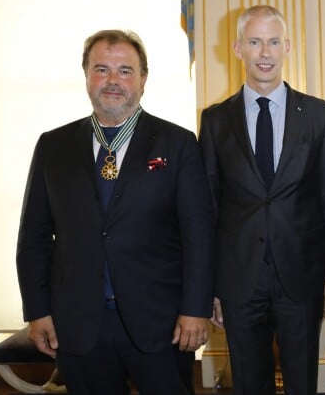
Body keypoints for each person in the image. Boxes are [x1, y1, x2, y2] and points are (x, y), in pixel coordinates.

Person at [16, 29, 214, 395]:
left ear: (143, 79)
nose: (112, 80)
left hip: (161, 322)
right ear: (87, 76)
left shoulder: (178, 143)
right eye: (101, 69)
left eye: (125, 70)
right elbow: (33, 238)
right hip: (78, 323)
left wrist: (195, 309)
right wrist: (38, 311)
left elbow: (198, 235)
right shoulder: (53, 146)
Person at [198, 5, 325, 395]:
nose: (265, 52)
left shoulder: (319, 115)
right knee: (248, 383)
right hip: (238, 280)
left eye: (274, 42)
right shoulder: (214, 121)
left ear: (287, 47)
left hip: (303, 276)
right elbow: (208, 207)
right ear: (237, 47)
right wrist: (210, 286)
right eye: (256, 42)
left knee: (302, 383)